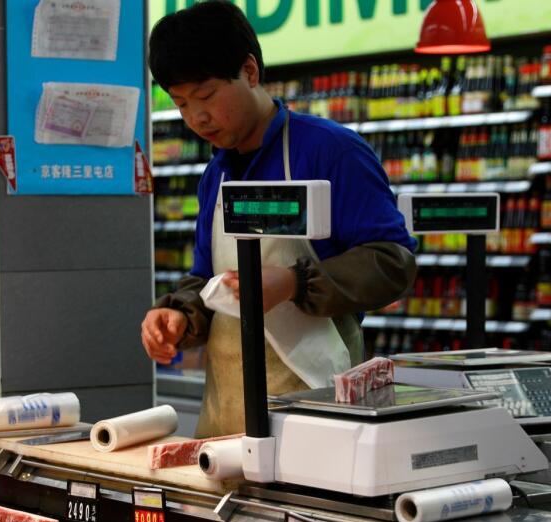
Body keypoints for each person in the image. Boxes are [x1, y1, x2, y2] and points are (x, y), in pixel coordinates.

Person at [141, 1, 418, 437]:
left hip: (320, 416)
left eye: (207, 96)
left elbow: (391, 263)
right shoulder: (215, 175)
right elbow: (204, 277)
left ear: (250, 71)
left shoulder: (331, 152)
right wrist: (181, 314)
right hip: (225, 423)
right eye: (181, 104)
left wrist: (292, 282)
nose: (197, 118)